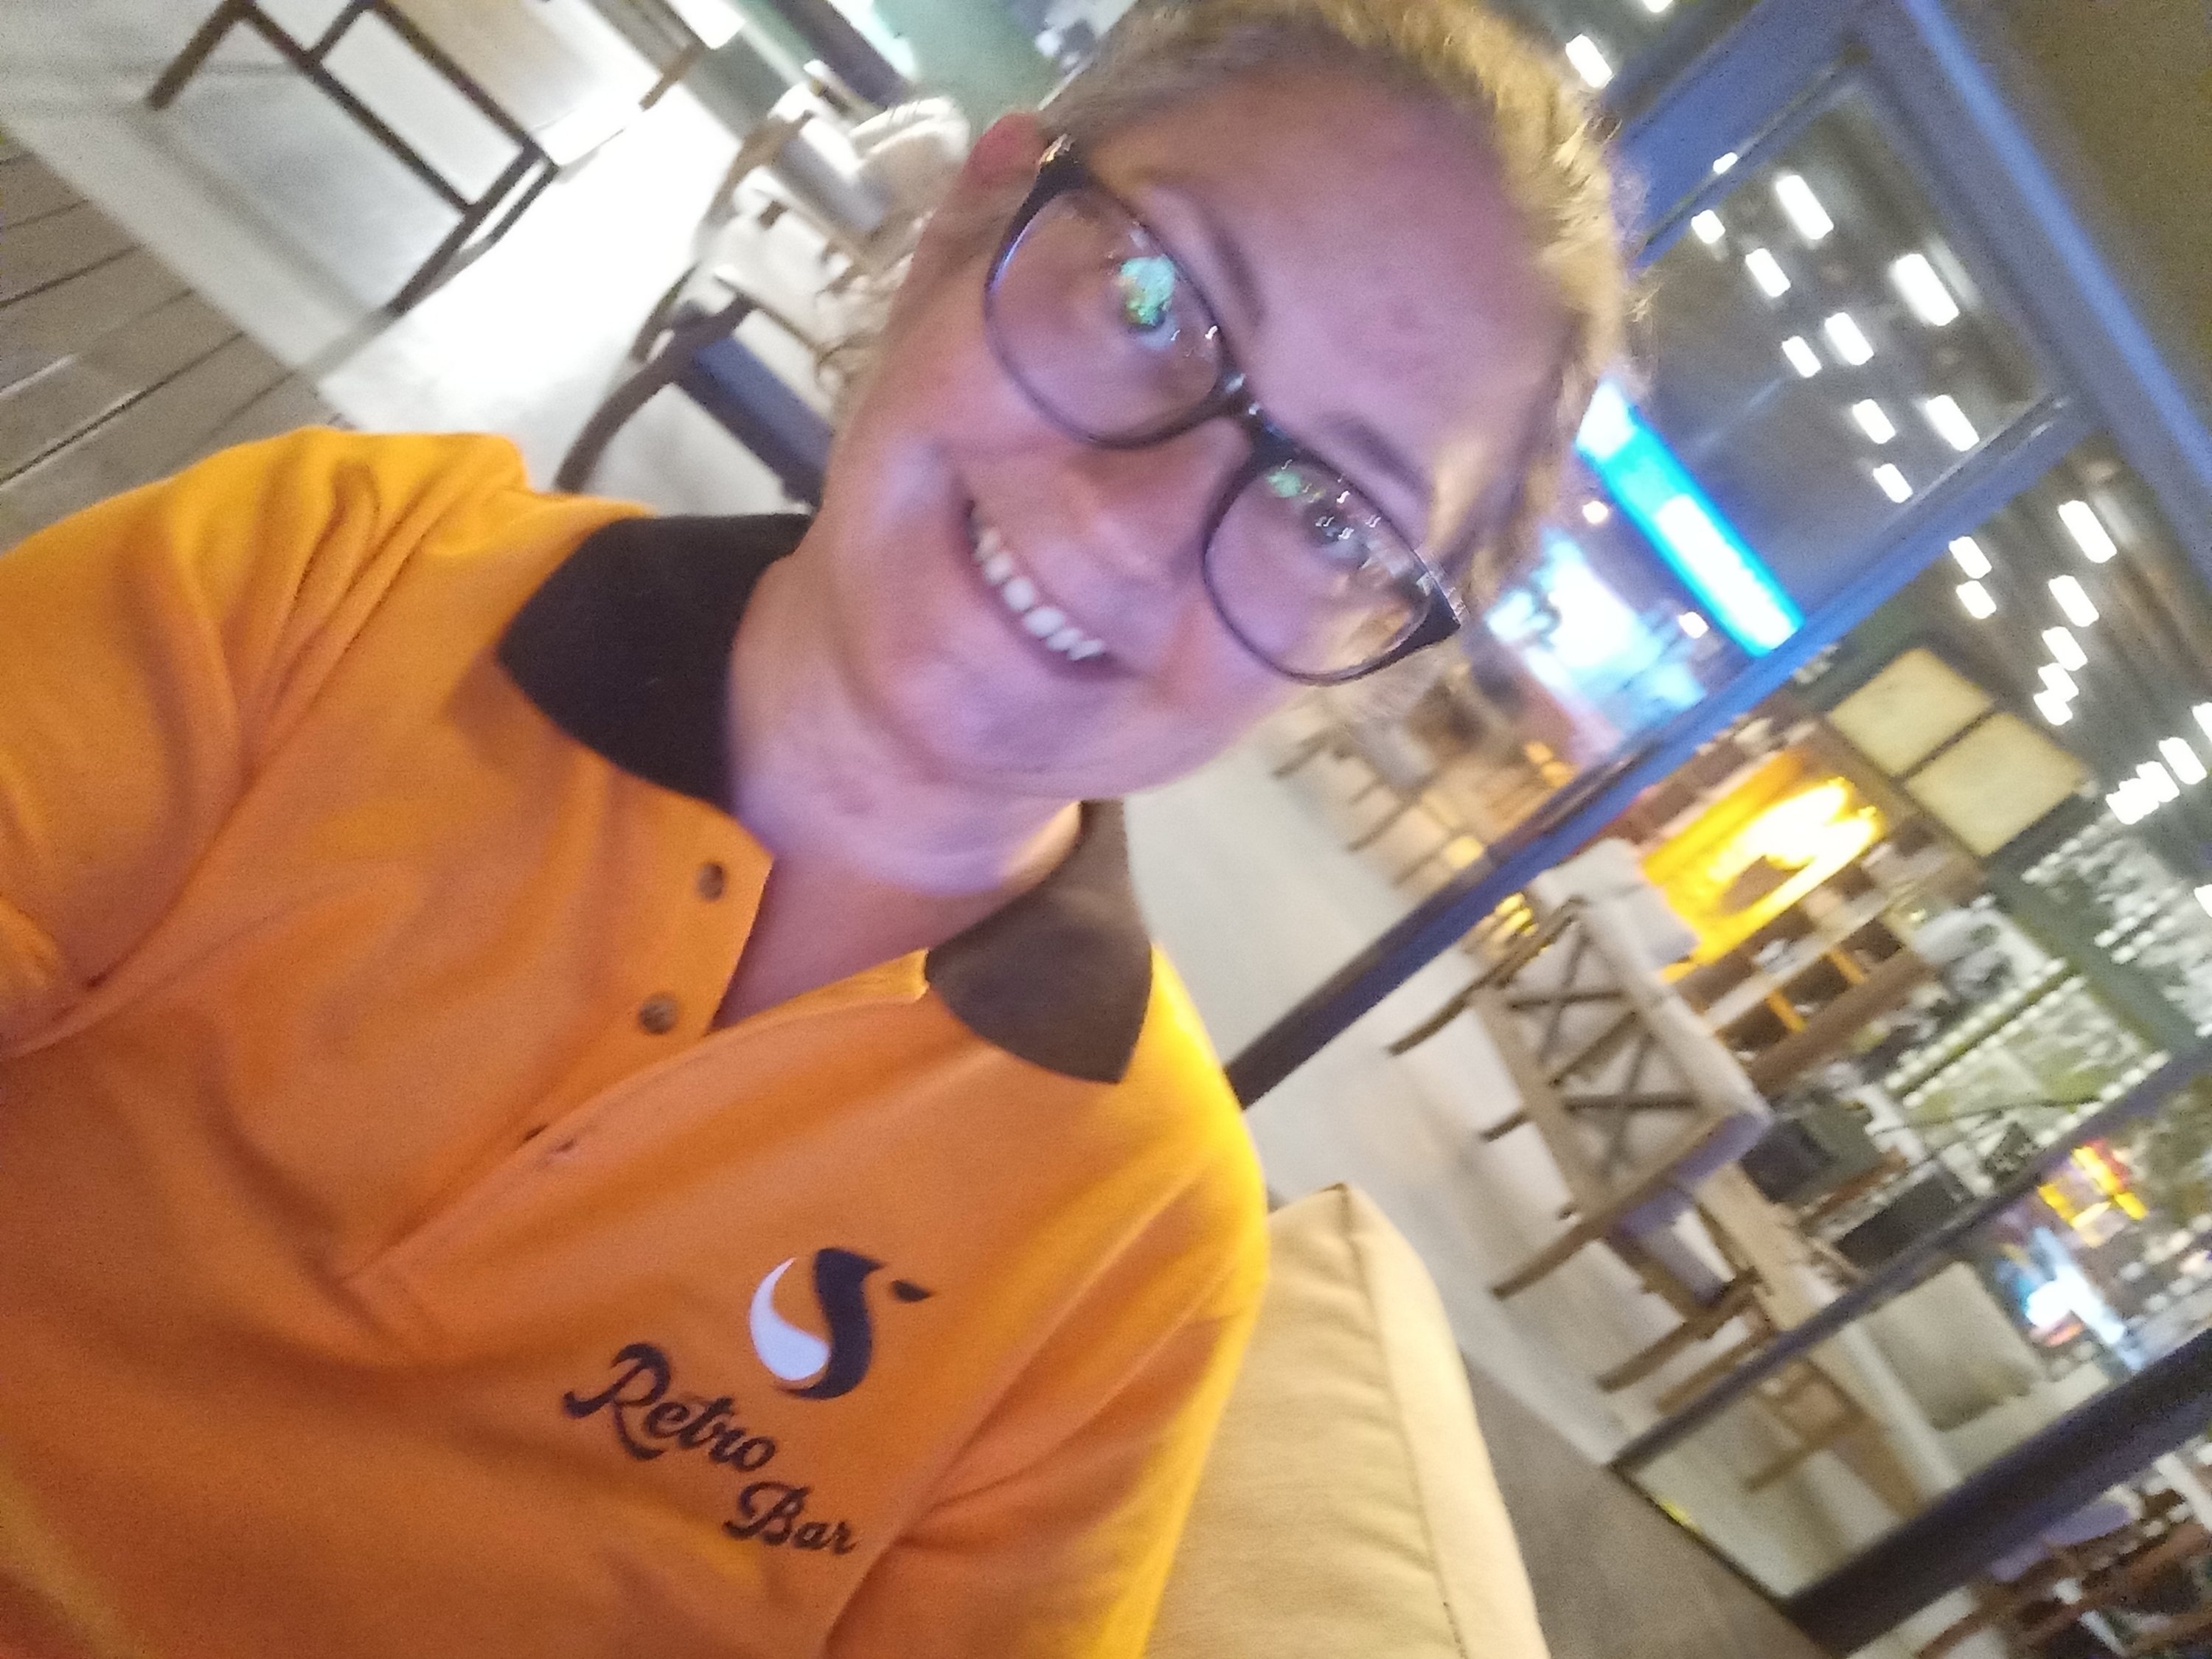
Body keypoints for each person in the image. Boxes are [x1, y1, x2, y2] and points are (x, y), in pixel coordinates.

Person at [0, 1, 1625, 1654]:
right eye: (1156, 303)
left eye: (1330, 515)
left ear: (1364, 659)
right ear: (973, 221)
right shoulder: (335, 576)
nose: (1134, 524)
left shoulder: (1131, 1241)